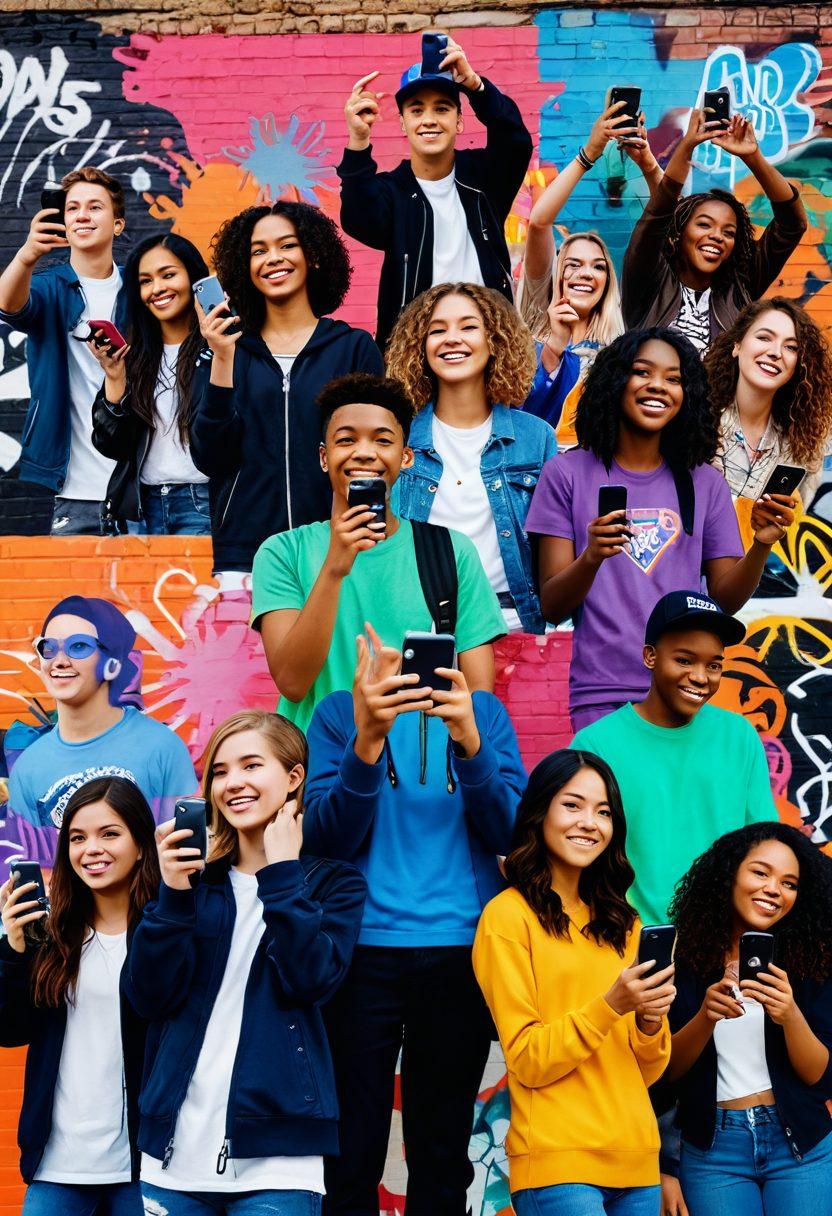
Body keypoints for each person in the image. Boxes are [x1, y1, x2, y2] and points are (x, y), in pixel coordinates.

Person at [304, 622, 526, 1215]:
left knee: (443, 1150)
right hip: (358, 955)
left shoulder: (484, 712)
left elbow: (514, 833)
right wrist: (368, 738)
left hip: (460, 955)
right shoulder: (335, 714)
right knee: (350, 1153)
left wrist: (471, 742)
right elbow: (324, 839)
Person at [125, 709, 367, 1215]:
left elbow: (311, 980)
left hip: (279, 1157)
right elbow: (148, 996)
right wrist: (172, 896)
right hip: (173, 1156)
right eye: (220, 771)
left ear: (294, 777)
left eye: (251, 766)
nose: (233, 783)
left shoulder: (333, 885)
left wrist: (282, 875)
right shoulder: (191, 883)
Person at [526, 328, 796, 731]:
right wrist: (592, 558)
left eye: (674, 379)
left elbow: (725, 598)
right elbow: (552, 604)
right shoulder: (566, 474)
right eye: (643, 372)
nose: (659, 386)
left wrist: (761, 545)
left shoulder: (705, 482)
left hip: (682, 694)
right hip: (601, 695)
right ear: (615, 381)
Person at [473, 749, 674, 1216]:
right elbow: (526, 1060)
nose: (590, 822)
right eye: (573, 805)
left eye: (604, 812)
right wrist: (610, 1004)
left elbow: (643, 1071)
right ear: (540, 812)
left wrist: (647, 1021)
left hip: (638, 1160)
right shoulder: (507, 918)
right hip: (558, 1166)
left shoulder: (625, 923)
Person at [251, 372, 506, 734]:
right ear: (324, 458)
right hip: (321, 769)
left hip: (419, 776)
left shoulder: (452, 552)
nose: (365, 452)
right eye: (346, 440)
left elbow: (477, 698)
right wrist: (334, 568)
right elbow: (292, 682)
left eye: (382, 441)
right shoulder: (282, 553)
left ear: (405, 458)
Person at [189, 201, 382, 577]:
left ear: (314, 255)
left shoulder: (354, 347)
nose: (272, 258)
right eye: (258, 251)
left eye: (287, 245)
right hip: (246, 556)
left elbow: (373, 452)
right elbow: (209, 457)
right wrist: (223, 357)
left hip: (340, 548)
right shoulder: (223, 350)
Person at [0, 776, 160, 1215]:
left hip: (142, 1168)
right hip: (57, 1166)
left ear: (142, 844)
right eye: (77, 838)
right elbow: (10, 1031)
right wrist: (13, 951)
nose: (91, 848)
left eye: (110, 834)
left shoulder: (166, 934)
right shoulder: (50, 939)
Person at [570, 589, 778, 926]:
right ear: (650, 656)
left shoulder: (739, 736)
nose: (700, 677)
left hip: (719, 942)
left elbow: (764, 845)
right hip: (627, 943)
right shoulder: (596, 744)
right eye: (684, 660)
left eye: (713, 665)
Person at [667, 823, 832, 1215]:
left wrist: (790, 1014)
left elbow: (821, 1077)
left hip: (801, 1146)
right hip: (713, 1151)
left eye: (789, 883)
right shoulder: (684, 959)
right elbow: (666, 1072)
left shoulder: (814, 962)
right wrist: (706, 1017)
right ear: (729, 874)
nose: (775, 889)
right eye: (761, 872)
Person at [337, 35, 532, 350]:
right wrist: (358, 142)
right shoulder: (392, 192)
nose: (429, 119)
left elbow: (516, 142)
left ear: (459, 121)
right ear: (403, 123)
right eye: (417, 110)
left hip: (490, 350)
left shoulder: (484, 180)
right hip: (413, 357)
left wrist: (476, 87)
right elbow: (358, 218)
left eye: (441, 109)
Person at [387, 282, 554, 633]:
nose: (452, 338)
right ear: (420, 346)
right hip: (417, 624)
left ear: (495, 341)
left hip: (512, 623)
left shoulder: (536, 438)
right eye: (437, 330)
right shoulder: (397, 436)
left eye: (468, 326)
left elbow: (552, 549)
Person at [6, 596, 197, 865]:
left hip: (152, 906)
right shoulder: (28, 766)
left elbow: (183, 855)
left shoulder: (162, 747)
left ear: (112, 663)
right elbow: (37, 871)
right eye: (48, 648)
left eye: (78, 647)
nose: (59, 661)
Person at [0, 167, 128, 535]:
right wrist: (28, 254)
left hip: (137, 485)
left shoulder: (139, 287)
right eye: (73, 208)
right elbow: (9, 306)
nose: (83, 215)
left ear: (117, 224)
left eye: (95, 207)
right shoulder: (48, 286)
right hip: (72, 489)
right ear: (64, 221)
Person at [519, 102, 658, 432]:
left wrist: (649, 165)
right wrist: (588, 155)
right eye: (573, 264)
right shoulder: (538, 315)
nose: (585, 273)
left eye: (598, 267)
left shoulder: (620, 346)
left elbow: (671, 224)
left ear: (608, 283)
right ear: (557, 276)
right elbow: (539, 223)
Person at [621, 111, 807, 351]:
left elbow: (792, 224)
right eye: (704, 224)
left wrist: (753, 157)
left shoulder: (741, 287)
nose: (717, 236)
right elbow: (660, 211)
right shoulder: (649, 280)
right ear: (678, 233)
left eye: (729, 233)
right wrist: (687, 145)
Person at [90, 234, 211, 534]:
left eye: (168, 275)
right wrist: (115, 378)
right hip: (141, 509)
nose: (157, 289)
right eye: (145, 281)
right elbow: (112, 446)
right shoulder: (134, 356)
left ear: (193, 279)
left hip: (203, 504)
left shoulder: (220, 350)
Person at [705, 297, 832, 507]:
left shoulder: (801, 444)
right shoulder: (697, 426)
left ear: (798, 364)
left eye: (791, 347)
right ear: (737, 345)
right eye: (764, 338)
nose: (775, 352)